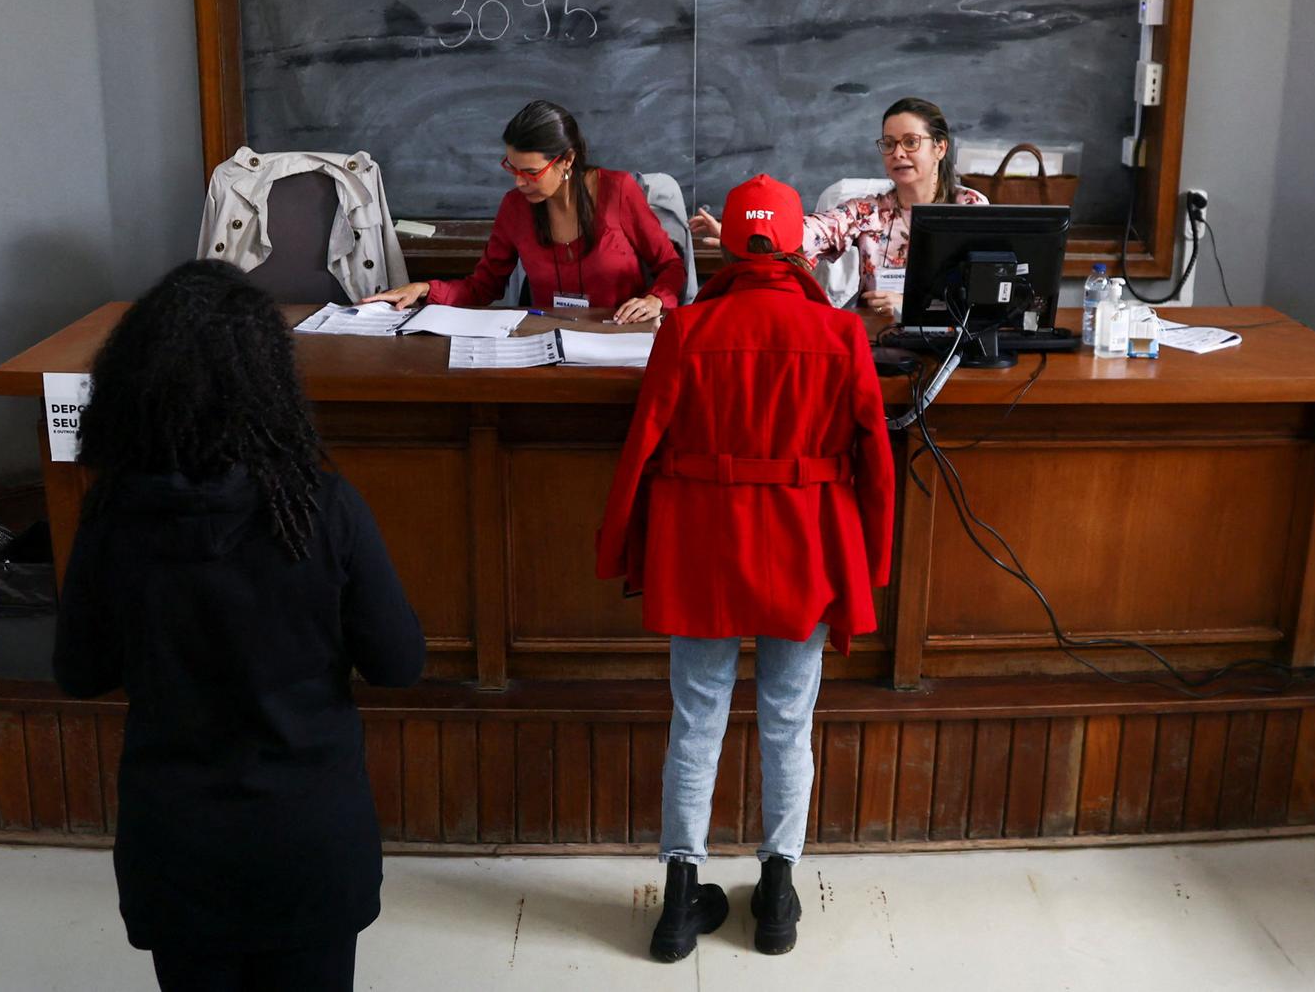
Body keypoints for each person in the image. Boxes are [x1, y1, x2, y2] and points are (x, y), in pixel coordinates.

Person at [54, 260, 425, 992]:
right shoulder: (320, 507)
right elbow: (399, 661)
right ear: (270, 382)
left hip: (180, 844)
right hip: (307, 839)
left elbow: (79, 670)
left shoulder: (114, 513)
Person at [596, 175, 896, 962]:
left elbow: (640, 452)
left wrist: (622, 544)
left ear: (725, 241)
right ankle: (778, 895)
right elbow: (876, 464)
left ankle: (677, 900)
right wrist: (874, 560)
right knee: (789, 722)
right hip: (807, 544)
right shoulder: (842, 335)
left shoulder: (686, 329)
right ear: (797, 242)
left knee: (696, 718)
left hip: (702, 546)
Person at [365, 99, 685, 323]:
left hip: (618, 336)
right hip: (545, 340)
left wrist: (655, 299)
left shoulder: (618, 191)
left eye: (531, 172)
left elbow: (670, 265)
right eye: (511, 168)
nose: (519, 182)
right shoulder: (515, 208)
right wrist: (425, 289)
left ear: (567, 161)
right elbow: (483, 286)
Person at [689, 96, 987, 317]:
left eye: (910, 142)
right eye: (889, 144)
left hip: (953, 342)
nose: (898, 153)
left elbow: (983, 293)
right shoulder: (868, 212)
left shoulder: (969, 206)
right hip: (880, 341)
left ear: (940, 147)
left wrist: (908, 303)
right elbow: (807, 232)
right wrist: (746, 232)